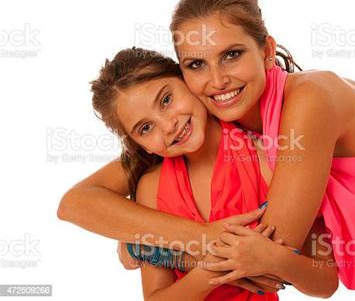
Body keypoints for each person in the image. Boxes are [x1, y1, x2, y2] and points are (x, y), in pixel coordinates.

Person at [58, 0, 355, 299]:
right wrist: (176, 239)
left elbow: (269, 256)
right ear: (183, 74)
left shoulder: (311, 100)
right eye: (197, 64)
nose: (217, 80)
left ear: (267, 51)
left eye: (232, 55)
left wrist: (147, 246)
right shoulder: (216, 127)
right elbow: (77, 203)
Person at [84, 47, 338, 300]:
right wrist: (208, 270)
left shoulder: (266, 157)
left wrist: (273, 260)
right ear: (139, 145)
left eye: (166, 100)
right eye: (146, 127)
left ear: (187, 80)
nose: (169, 125)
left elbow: (325, 281)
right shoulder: (151, 187)